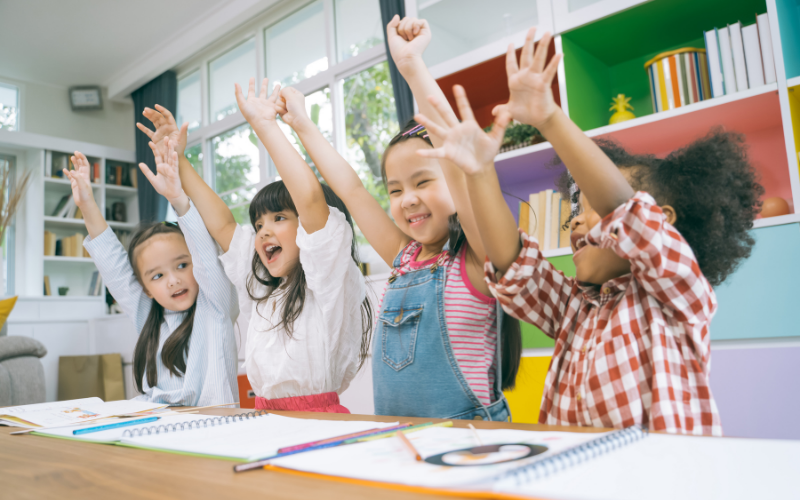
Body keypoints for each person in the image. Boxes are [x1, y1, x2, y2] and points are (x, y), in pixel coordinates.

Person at [414, 27, 763, 435]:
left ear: (663, 221)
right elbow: (510, 265)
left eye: (592, 207)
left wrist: (549, 118)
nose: (576, 220)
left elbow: (626, 213)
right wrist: (479, 173)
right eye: (576, 208)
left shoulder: (679, 293)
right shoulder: (573, 309)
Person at [270, 15, 523, 421]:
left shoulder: (477, 257)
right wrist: (301, 125)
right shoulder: (404, 258)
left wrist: (411, 67)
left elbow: (454, 157)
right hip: (400, 439)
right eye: (395, 189)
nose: (407, 199)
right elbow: (352, 190)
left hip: (472, 444)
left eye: (422, 182)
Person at [135, 78, 372, 413]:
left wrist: (265, 127)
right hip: (264, 416)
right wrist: (180, 160)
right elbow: (223, 225)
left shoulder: (329, 279)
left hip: (318, 419)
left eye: (278, 218)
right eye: (259, 224)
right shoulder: (262, 289)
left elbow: (309, 199)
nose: (262, 232)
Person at [68, 141, 239, 406]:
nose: (174, 280)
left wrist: (179, 199)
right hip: (156, 420)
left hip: (211, 427)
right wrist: (87, 204)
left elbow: (206, 255)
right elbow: (115, 268)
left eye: (183, 265)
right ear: (146, 287)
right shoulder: (148, 313)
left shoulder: (214, 305)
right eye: (157, 276)